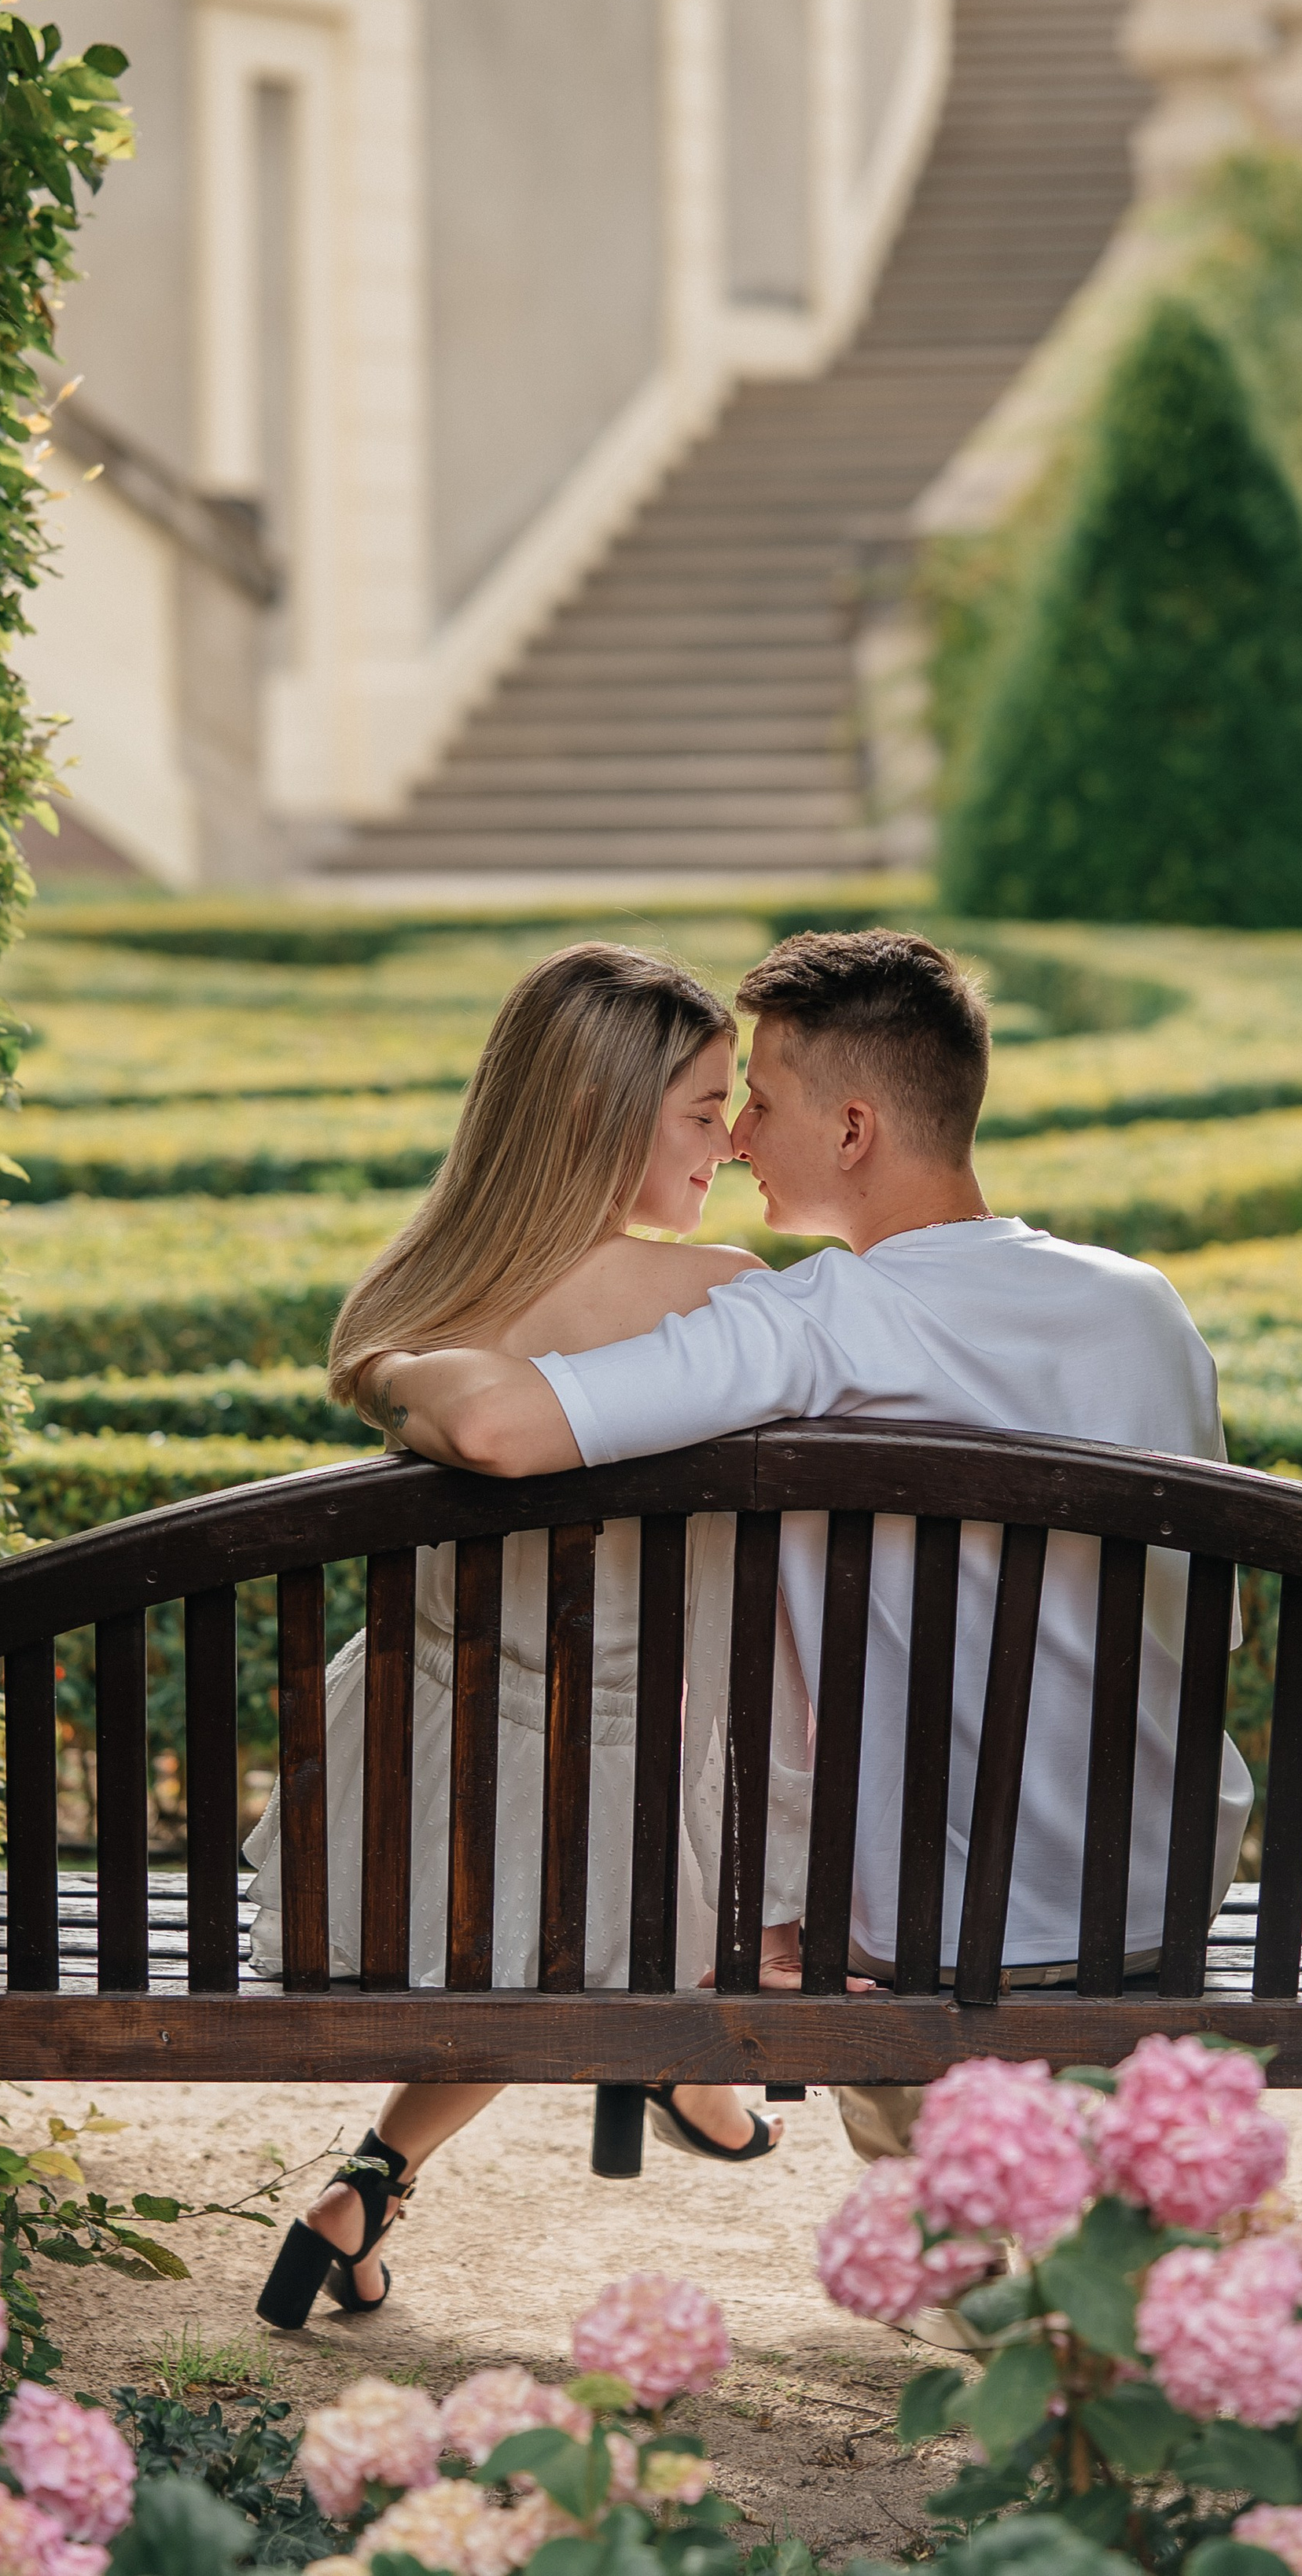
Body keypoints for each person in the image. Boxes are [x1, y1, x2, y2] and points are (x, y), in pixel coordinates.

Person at [355, 925, 1252, 2175]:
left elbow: (498, 1426)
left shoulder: (820, 1324)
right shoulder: (1143, 1307)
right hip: (1159, 1891)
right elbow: (1218, 1622)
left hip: (936, 1930)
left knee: (963, 2250)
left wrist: (384, 1358)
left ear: (852, 1131)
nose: (733, 1139)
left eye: (758, 1103)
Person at [248, 943, 813, 2333]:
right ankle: (676, 2042)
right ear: (595, 1118)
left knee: (525, 1895)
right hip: (612, 1825)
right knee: (608, 1843)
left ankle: (374, 2183)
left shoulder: (421, 1290)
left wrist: (391, 1367)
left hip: (397, 1795)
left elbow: (420, 1383)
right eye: (703, 1108)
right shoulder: (718, 1293)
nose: (734, 1144)